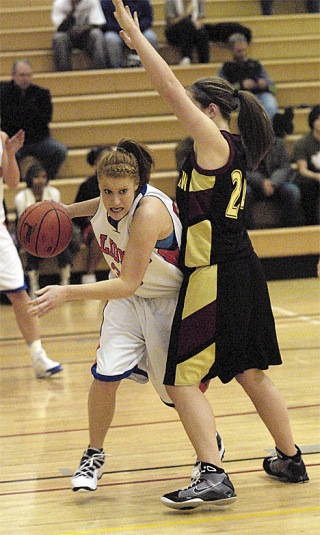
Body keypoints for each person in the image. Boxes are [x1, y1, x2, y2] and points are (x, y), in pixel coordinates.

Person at [110, 0, 309, 510]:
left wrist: (137, 38)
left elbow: (169, 88)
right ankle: (290, 457)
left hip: (215, 275)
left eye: (197, 109)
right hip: (241, 268)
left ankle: (214, 473)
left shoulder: (215, 141)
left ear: (211, 112)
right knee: (249, 371)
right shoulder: (234, 149)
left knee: (182, 378)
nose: (187, 114)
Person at [0, 129, 63, 378]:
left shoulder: (1, 136)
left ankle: (38, 356)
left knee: (19, 292)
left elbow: (13, 182)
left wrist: (10, 152)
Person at [0, 59, 68, 182]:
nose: (25, 78)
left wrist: (19, 116)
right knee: (4, 155)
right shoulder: (3, 92)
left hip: (38, 140)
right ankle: (18, 179)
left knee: (59, 150)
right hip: (13, 140)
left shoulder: (42, 93)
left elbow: (46, 118)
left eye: (28, 75)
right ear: (13, 75)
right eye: (21, 75)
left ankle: (43, 177)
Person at [15, 163, 73, 297]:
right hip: (28, 232)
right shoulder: (21, 197)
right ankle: (33, 285)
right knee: (31, 248)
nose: (40, 180)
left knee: (62, 244)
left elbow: (56, 218)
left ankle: (65, 282)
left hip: (51, 230)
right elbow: (23, 223)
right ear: (30, 179)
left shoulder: (54, 193)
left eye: (43, 177)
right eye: (37, 177)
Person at [245, 134, 304, 230]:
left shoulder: (278, 143)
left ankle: (289, 230)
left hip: (276, 184)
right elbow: (243, 170)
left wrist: (273, 182)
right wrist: (261, 182)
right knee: (244, 192)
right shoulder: (243, 144)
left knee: (292, 191)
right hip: (253, 184)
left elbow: (285, 167)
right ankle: (249, 231)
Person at [218, 33, 279, 120]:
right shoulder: (225, 68)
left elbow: (274, 89)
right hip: (240, 99)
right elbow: (224, 92)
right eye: (239, 51)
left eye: (244, 50)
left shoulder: (256, 65)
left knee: (271, 105)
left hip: (261, 95)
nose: (243, 53)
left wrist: (265, 84)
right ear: (231, 50)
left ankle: (268, 132)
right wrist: (241, 85)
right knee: (249, 109)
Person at [73, 145, 111, 283]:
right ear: (95, 162)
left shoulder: (117, 182)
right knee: (100, 229)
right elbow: (77, 217)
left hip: (116, 223)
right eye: (102, 159)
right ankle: (89, 275)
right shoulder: (87, 185)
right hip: (91, 227)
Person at [51, 0, 108, 71]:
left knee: (97, 34)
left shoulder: (92, 2)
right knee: (58, 37)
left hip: (86, 36)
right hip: (68, 36)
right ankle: (63, 73)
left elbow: (97, 23)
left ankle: (99, 70)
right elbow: (59, 28)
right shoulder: (59, 3)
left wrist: (81, 29)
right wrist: (73, 11)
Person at [100, 0, 158, 68]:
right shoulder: (106, 2)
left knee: (151, 37)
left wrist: (134, 29)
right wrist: (125, 29)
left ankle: (150, 68)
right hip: (116, 32)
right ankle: (116, 69)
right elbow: (105, 22)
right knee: (110, 38)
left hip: (139, 30)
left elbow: (148, 18)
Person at [291, 105, 320, 226]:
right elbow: (303, 170)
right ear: (313, 121)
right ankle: (311, 224)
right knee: (307, 184)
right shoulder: (302, 143)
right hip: (311, 177)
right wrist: (317, 176)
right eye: (319, 118)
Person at [164, 0, 210, 65]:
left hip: (194, 32)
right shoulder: (171, 1)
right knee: (187, 23)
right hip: (175, 32)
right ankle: (186, 56)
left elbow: (201, 18)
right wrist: (186, 14)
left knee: (202, 33)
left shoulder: (199, 1)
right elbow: (170, 21)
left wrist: (197, 24)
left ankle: (204, 63)